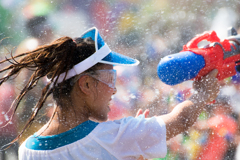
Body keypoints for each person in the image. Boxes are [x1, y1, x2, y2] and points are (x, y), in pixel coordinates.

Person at [0, 27, 219, 160]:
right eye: (109, 79)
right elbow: (182, 120)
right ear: (85, 85)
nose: (114, 89)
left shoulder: (28, 150)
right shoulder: (113, 137)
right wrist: (202, 93)